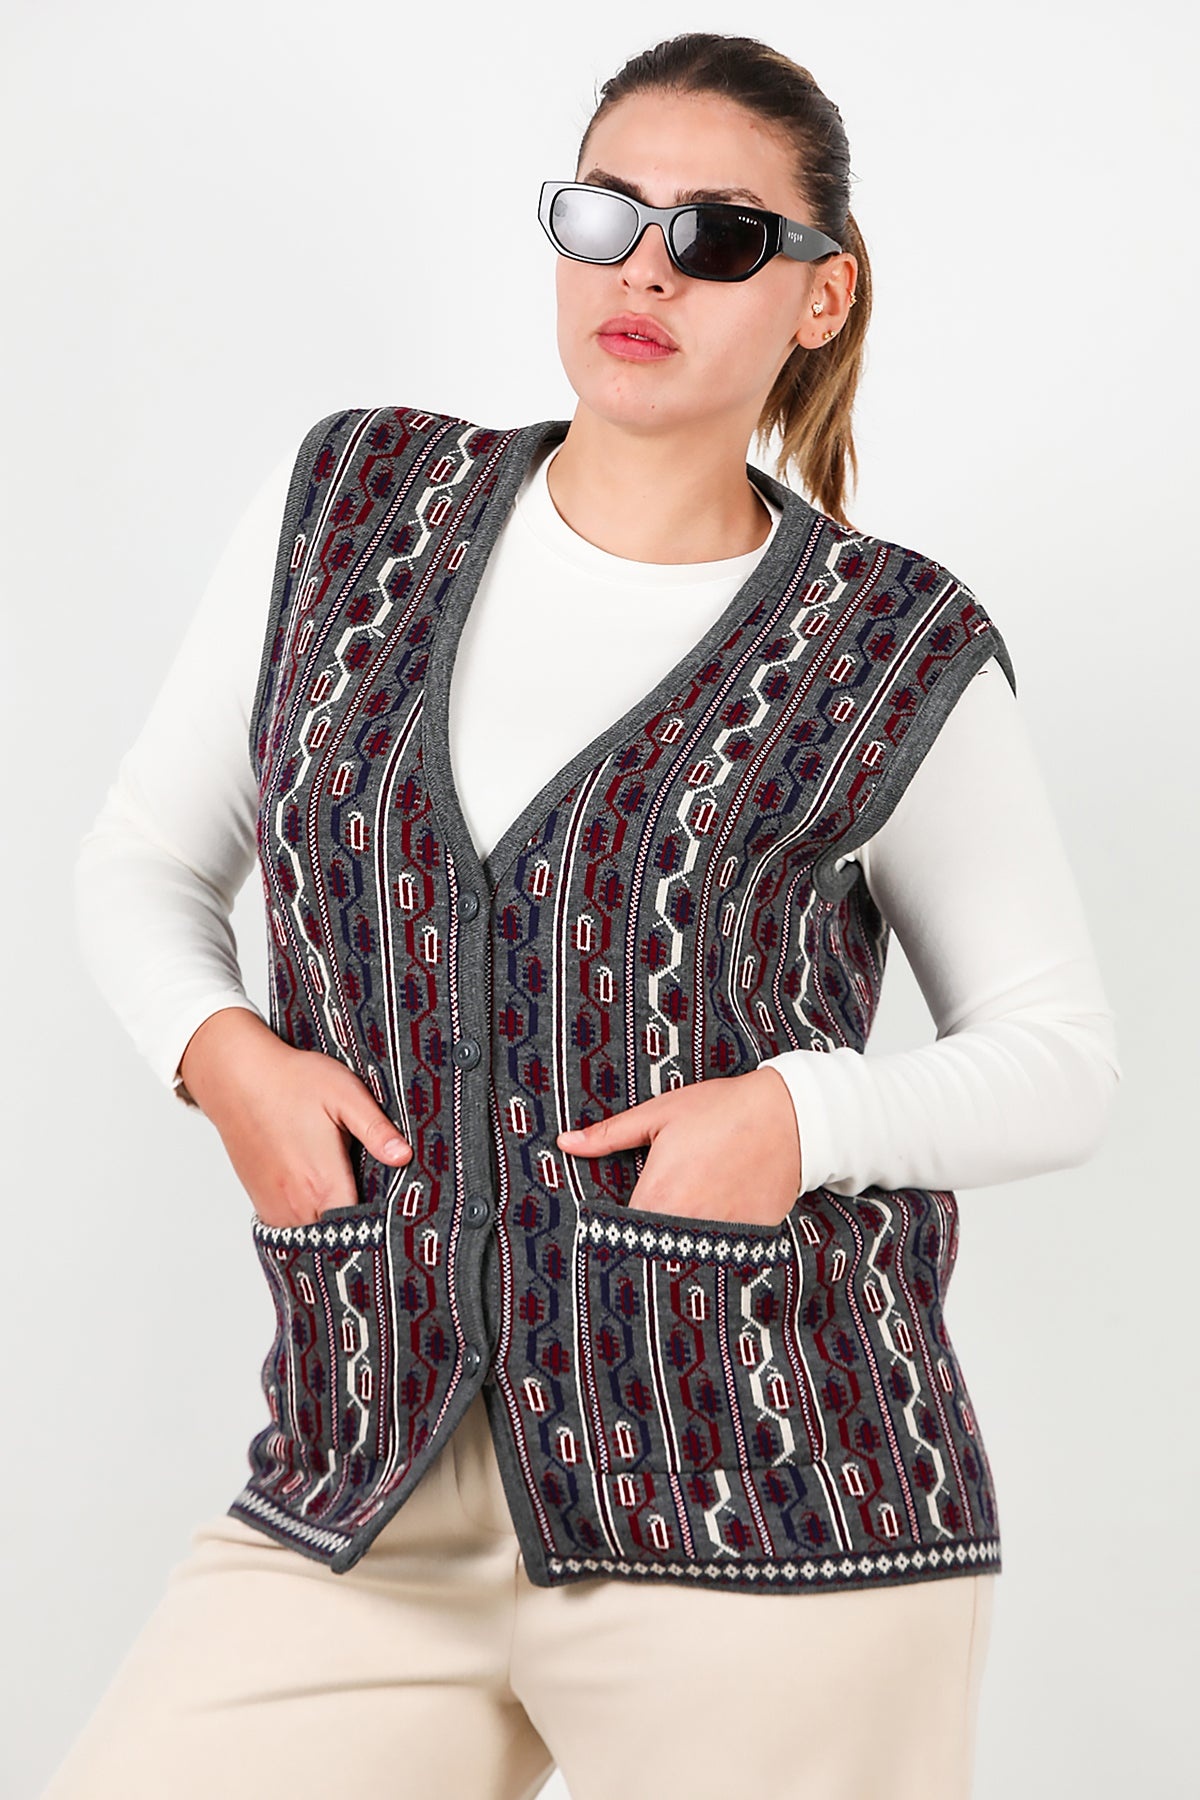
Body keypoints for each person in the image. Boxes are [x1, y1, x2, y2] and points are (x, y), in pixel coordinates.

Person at [46, 30, 1120, 1800]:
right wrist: (221, 1056)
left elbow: (1061, 1060)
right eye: (607, 212)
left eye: (719, 236)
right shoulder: (352, 508)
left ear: (821, 296)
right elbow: (144, 860)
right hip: (360, 1481)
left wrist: (798, 1119)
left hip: (773, 1506)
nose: (646, 270)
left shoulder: (893, 646)